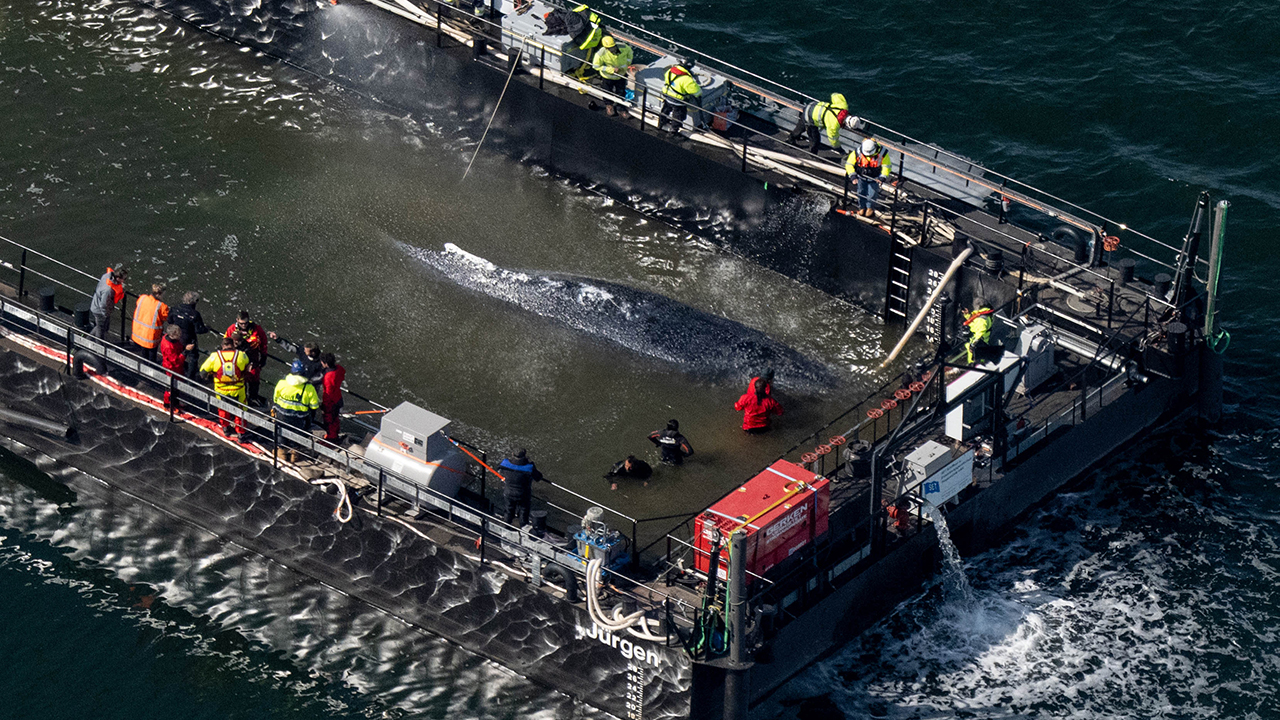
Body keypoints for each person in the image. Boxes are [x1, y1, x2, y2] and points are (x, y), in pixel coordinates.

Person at [199, 335, 250, 436]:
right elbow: (247, 366)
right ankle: (241, 433)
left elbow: (202, 372)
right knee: (241, 410)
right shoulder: (241, 355)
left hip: (221, 389)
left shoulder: (214, 356)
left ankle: (225, 428)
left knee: (223, 409)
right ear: (233, 345)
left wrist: (212, 374)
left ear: (222, 346)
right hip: (238, 389)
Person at [225, 311, 271, 404]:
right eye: (241, 323)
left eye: (246, 323)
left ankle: (253, 397)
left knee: (254, 376)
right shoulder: (231, 329)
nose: (244, 325)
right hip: (236, 358)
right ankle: (242, 396)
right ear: (237, 320)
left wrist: (263, 356)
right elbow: (225, 342)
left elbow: (263, 342)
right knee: (240, 377)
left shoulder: (256, 329)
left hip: (252, 357)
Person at [273, 358, 321, 443]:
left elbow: (275, 399)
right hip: (299, 418)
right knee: (297, 436)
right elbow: (314, 406)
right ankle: (294, 449)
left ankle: (280, 448)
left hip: (282, 415)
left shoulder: (282, 383)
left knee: (281, 433)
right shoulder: (309, 388)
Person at [168, 291, 212, 379]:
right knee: (193, 357)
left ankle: (178, 371)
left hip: (176, 336)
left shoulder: (175, 308)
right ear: (195, 302)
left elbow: (169, 320)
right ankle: (190, 378)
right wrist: (207, 328)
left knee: (177, 354)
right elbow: (199, 330)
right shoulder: (195, 314)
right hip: (189, 338)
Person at [846, 138, 894, 218]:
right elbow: (849, 164)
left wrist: (882, 177)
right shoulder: (857, 152)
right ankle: (861, 207)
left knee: (872, 194)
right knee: (860, 192)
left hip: (875, 178)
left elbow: (887, 166)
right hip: (861, 177)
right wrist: (853, 175)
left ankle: (870, 208)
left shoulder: (882, 154)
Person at [498, 448, 546, 527]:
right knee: (523, 512)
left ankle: (506, 525)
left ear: (512, 454)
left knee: (508, 510)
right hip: (523, 494)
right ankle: (523, 527)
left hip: (509, 492)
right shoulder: (529, 467)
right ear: (524, 456)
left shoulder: (505, 463)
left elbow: (500, 470)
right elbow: (538, 477)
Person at [658, 60, 703, 135]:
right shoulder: (687, 80)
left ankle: (660, 123)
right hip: (678, 100)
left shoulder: (670, 71)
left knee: (665, 110)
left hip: (667, 95)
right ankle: (673, 131)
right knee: (678, 116)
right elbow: (697, 92)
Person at [592, 35, 633, 117]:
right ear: (606, 48)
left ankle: (621, 108)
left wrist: (628, 62)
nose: (612, 49)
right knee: (607, 91)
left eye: (613, 47)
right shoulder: (601, 54)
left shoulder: (624, 47)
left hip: (621, 75)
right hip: (608, 77)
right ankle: (609, 105)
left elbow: (630, 52)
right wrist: (610, 70)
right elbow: (596, 66)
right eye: (610, 48)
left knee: (621, 91)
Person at [130, 283, 169, 362]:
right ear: (159, 294)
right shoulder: (161, 306)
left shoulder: (142, 298)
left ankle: (144, 363)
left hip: (138, 334)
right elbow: (166, 317)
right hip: (150, 338)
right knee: (152, 356)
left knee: (144, 353)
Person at [89, 264, 127, 341]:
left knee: (101, 326)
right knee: (101, 330)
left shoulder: (106, 276)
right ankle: (98, 345)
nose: (124, 281)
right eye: (123, 279)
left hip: (97, 305)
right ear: (118, 278)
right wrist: (105, 314)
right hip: (100, 311)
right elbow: (103, 304)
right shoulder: (108, 290)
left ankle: (88, 339)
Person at [159, 324, 187, 410]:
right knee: (170, 388)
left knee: (176, 387)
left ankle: (175, 403)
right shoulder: (168, 346)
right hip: (171, 368)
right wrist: (185, 352)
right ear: (172, 335)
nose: (180, 336)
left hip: (176, 368)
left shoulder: (169, 340)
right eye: (178, 335)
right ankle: (168, 405)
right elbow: (176, 361)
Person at [570, 4, 603, 77]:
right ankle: (579, 72)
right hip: (585, 44)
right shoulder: (593, 22)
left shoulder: (578, 12)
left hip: (582, 43)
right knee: (584, 59)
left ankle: (578, 71)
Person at [319, 352, 345, 443]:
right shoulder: (339, 368)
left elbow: (328, 394)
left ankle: (331, 439)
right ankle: (335, 434)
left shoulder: (328, 377)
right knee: (335, 419)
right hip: (338, 398)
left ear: (325, 364)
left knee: (329, 420)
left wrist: (324, 406)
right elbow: (342, 374)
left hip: (331, 402)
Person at [961, 298, 994, 364]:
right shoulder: (986, 314)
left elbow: (979, 334)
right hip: (981, 342)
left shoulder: (981, 320)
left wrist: (972, 345)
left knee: (974, 360)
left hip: (978, 344)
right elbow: (975, 323)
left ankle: (974, 366)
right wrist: (967, 315)